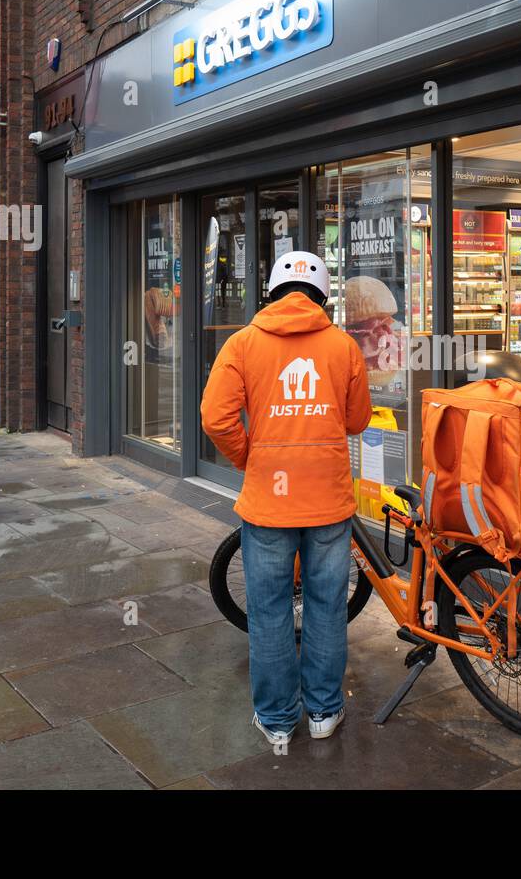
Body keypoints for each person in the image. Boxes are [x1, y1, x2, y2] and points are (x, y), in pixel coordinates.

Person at [201, 251, 371, 746]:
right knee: (326, 605)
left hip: (268, 501)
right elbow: (357, 420)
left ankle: (276, 722)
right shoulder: (342, 347)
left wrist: (248, 457)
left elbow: (216, 418)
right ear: (321, 296)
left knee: (270, 608)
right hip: (328, 500)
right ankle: (323, 713)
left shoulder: (242, 343)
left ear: (272, 292)